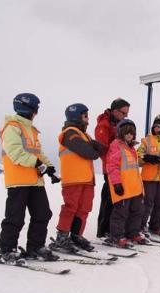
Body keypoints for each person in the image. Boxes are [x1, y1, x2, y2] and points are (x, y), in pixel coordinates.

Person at [0, 93, 58, 262]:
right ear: (28, 108)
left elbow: (38, 153)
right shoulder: (12, 127)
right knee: (15, 217)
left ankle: (35, 247)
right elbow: (15, 153)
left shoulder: (30, 130)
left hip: (35, 181)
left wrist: (50, 167)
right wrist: (38, 163)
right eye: (35, 109)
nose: (36, 113)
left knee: (43, 214)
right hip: (18, 180)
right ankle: (7, 249)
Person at [51, 104, 104, 253]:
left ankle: (76, 236)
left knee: (84, 209)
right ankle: (62, 238)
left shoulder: (84, 136)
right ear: (76, 117)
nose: (88, 120)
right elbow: (90, 152)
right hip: (73, 180)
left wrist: (96, 147)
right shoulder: (70, 133)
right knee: (70, 208)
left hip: (87, 180)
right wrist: (94, 148)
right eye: (85, 116)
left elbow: (101, 148)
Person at [95, 98, 130, 238]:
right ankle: (103, 230)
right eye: (123, 113)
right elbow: (102, 150)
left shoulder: (118, 123)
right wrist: (112, 164)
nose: (126, 116)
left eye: (127, 113)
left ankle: (113, 228)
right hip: (110, 169)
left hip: (121, 169)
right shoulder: (104, 125)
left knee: (117, 199)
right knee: (108, 199)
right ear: (115, 111)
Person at [107, 119, 145, 247]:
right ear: (120, 133)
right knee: (120, 213)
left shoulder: (131, 148)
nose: (129, 135)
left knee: (136, 211)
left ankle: (133, 233)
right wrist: (117, 184)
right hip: (123, 188)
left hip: (134, 188)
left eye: (131, 133)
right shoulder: (116, 146)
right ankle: (116, 236)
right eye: (126, 133)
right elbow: (112, 166)